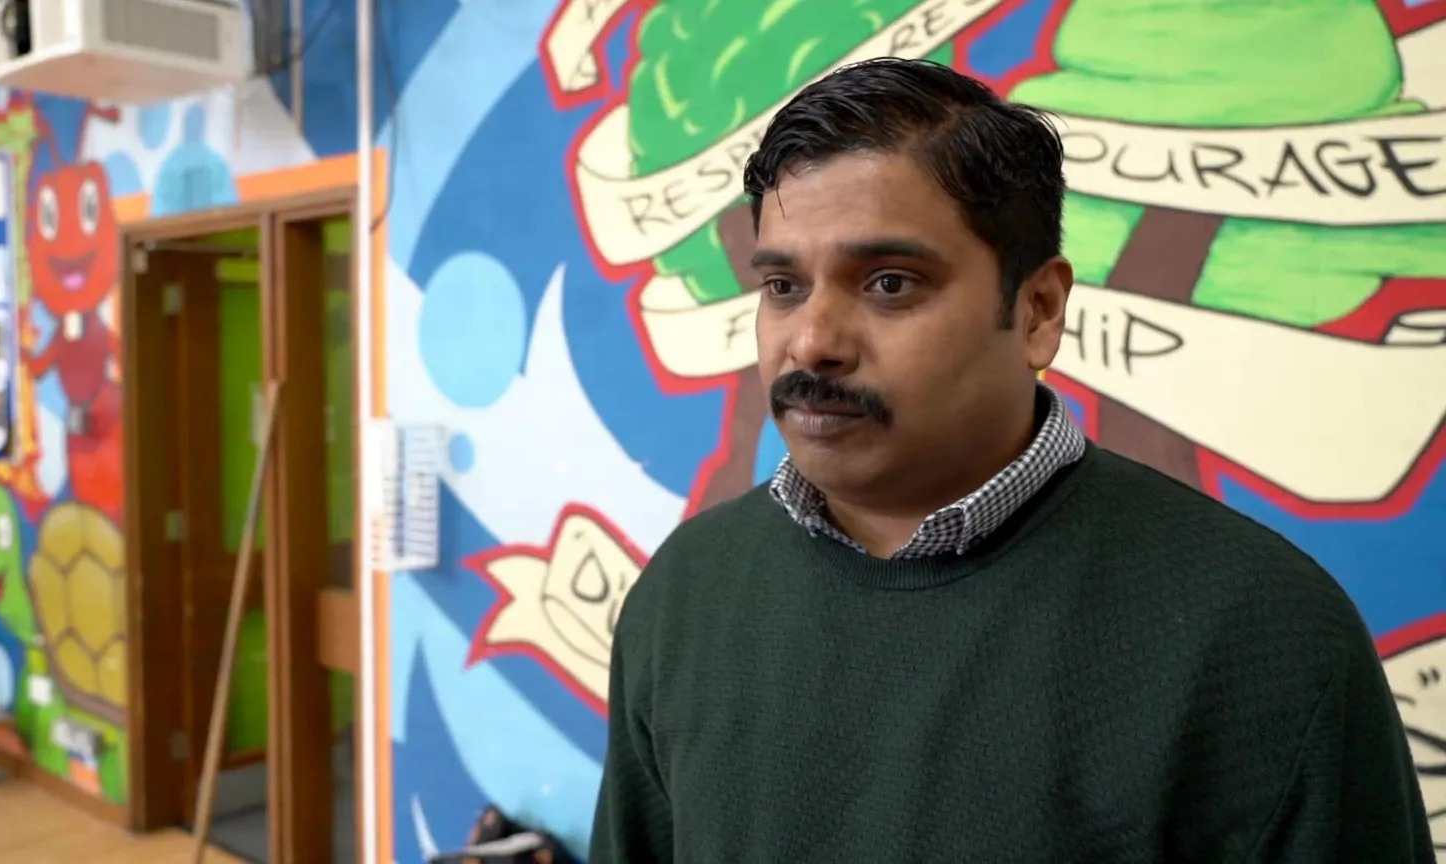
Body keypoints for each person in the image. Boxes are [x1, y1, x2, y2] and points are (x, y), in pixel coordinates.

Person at [588, 58, 1432, 862]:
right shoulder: (685, 593)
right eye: (783, 287)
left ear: (1036, 309)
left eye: (888, 283)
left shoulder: (1263, 633)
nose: (811, 341)